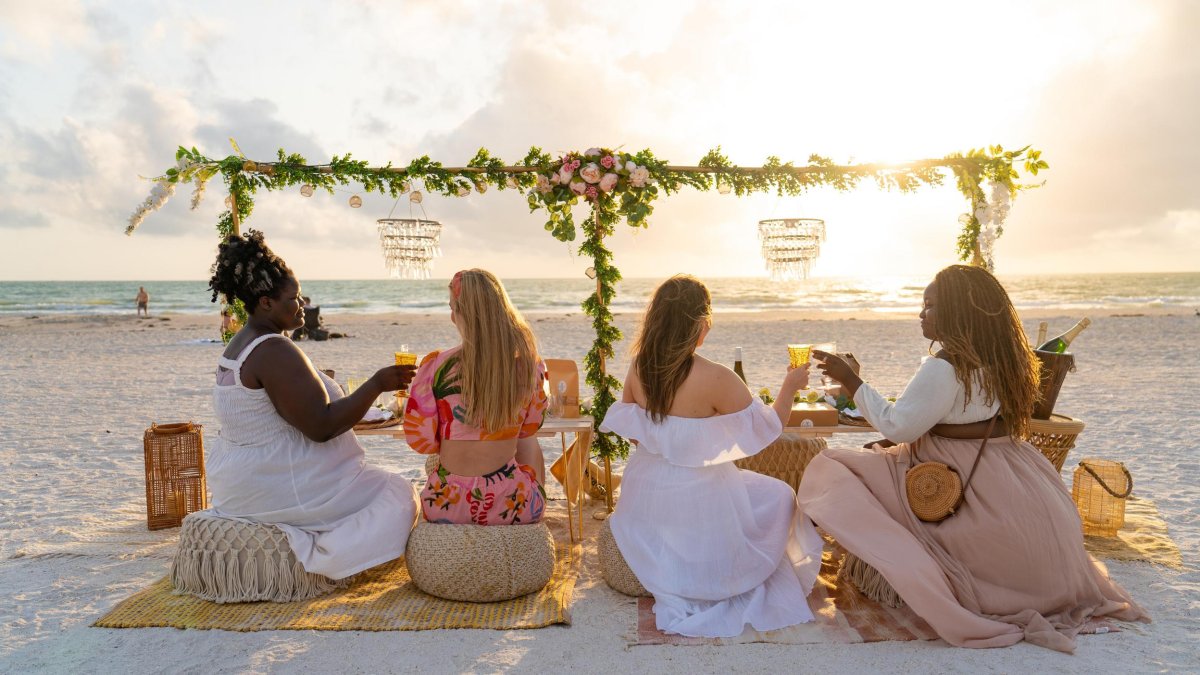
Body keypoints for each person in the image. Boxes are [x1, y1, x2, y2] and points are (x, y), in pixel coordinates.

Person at [798, 264, 1149, 653]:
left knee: (829, 465)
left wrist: (852, 379)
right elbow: (953, 414)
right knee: (873, 455)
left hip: (955, 471)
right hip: (1011, 466)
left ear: (957, 313)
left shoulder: (944, 366)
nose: (921, 314)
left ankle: (889, 568)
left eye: (930, 306)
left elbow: (899, 428)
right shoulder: (1007, 357)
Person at [599, 274, 821, 638]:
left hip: (645, 492)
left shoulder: (639, 367)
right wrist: (790, 386)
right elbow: (768, 428)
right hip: (701, 491)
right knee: (781, 495)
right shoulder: (717, 377)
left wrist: (672, 447)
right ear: (701, 325)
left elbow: (636, 434)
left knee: (744, 493)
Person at [205, 229, 419, 580]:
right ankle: (323, 563)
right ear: (266, 303)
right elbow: (321, 427)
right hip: (279, 484)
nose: (303, 305)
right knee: (397, 492)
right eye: (295, 298)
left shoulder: (241, 344)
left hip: (240, 482)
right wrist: (377, 384)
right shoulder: (274, 349)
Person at [403, 269, 548, 526]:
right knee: (529, 443)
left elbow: (421, 442)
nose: (451, 316)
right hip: (512, 504)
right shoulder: (530, 367)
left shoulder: (437, 366)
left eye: (453, 308)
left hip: (444, 503)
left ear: (463, 313)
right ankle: (536, 514)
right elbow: (529, 429)